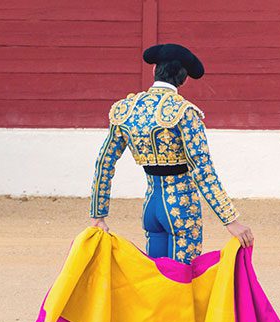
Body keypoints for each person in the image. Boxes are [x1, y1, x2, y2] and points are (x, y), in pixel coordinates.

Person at [89, 43, 253, 264]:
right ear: (184, 79)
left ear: (154, 70)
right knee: (181, 283)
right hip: (181, 207)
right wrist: (230, 220)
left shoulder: (126, 109)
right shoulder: (184, 111)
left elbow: (104, 163)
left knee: (156, 281)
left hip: (151, 208)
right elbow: (203, 171)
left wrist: (98, 215)